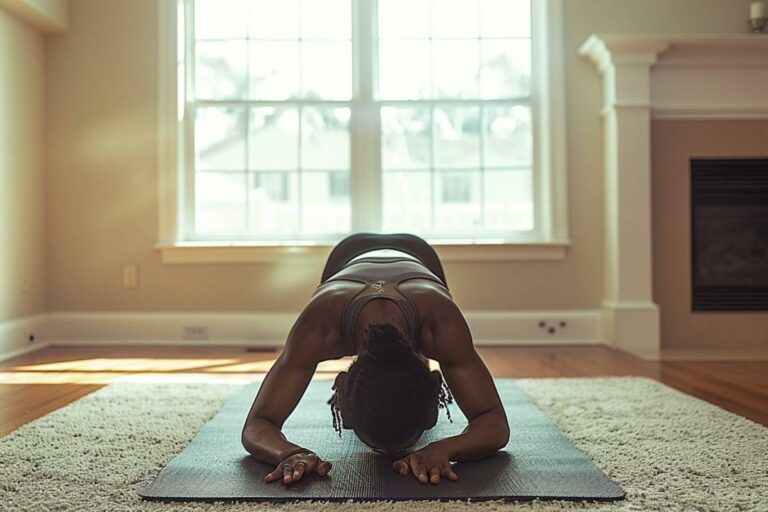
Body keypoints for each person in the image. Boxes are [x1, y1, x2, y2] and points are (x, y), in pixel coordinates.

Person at [241, 233, 509, 486]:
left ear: (438, 385)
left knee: (413, 358)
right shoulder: (319, 326)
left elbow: (496, 423)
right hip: (345, 260)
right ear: (339, 386)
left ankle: (412, 365)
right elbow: (257, 423)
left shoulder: (440, 323)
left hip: (422, 265)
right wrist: (289, 453)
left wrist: (444, 448)